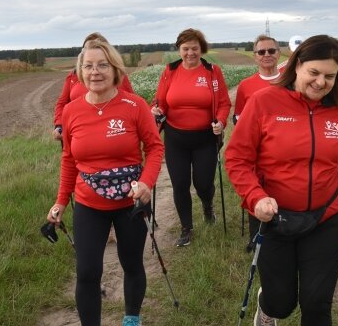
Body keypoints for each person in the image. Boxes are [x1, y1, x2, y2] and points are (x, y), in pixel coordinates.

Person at [225, 34, 338, 326]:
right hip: (272, 219)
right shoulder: (264, 103)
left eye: (330, 76)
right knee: (283, 303)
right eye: (314, 72)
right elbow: (237, 157)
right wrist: (255, 196)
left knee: (318, 301)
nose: (321, 82)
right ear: (296, 67)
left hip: (324, 220)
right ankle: (268, 306)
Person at [46, 38, 163, 326]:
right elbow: (69, 159)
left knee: (131, 262)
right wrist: (60, 201)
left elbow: (154, 148)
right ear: (80, 72)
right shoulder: (71, 111)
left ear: (115, 69)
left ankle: (131, 320)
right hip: (88, 203)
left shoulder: (134, 105)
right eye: (88, 66)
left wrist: (147, 183)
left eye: (102, 65)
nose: (95, 72)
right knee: (86, 271)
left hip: (131, 201)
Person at [151, 28, 231, 247]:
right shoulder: (170, 71)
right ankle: (187, 228)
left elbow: (224, 102)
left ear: (201, 48)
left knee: (203, 183)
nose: (190, 53)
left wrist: (221, 122)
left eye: (194, 48)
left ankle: (207, 206)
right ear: (179, 49)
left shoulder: (212, 71)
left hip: (205, 138)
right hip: (176, 138)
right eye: (185, 48)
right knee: (180, 184)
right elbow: (159, 101)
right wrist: (156, 111)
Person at [233, 35, 281, 250]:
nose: (267, 55)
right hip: (256, 151)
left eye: (271, 51)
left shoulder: (290, 80)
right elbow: (238, 118)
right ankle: (255, 238)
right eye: (261, 52)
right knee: (255, 190)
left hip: (282, 149)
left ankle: (280, 233)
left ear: (279, 53)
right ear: (255, 57)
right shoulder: (245, 86)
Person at [51, 32, 135, 141]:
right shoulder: (73, 76)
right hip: (76, 130)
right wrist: (59, 125)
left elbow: (132, 102)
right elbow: (62, 103)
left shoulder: (119, 77)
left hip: (109, 132)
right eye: (86, 48)